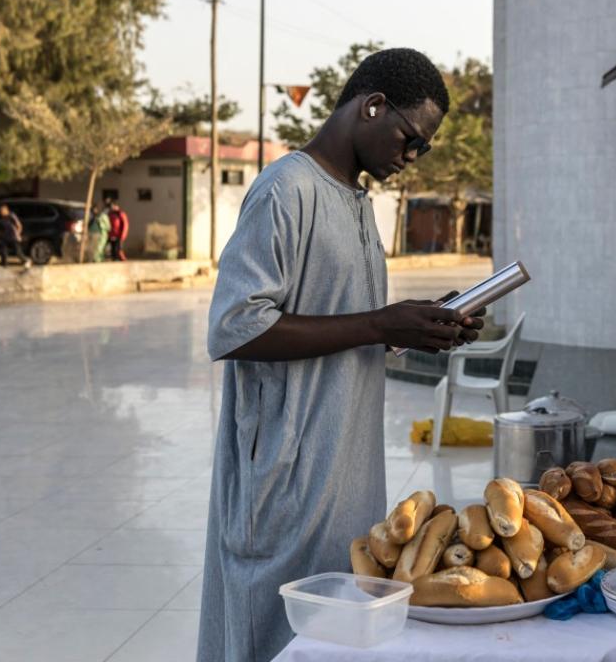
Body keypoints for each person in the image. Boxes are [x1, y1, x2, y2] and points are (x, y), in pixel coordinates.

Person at [198, 48, 485, 662]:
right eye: (411, 140)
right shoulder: (286, 189)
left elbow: (342, 319)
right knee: (269, 636)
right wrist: (381, 321)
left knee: (333, 640)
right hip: (285, 474)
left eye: (423, 150)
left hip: (347, 471)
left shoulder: (355, 202)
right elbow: (235, 327)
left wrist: (418, 325)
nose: (410, 157)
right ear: (371, 106)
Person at [0, 203, 31, 269]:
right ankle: (4, 264)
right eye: (0, 212)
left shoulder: (11, 216)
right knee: (3, 250)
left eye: (2, 211)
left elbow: (19, 225)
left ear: (6, 210)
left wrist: (18, 234)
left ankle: (27, 260)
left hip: (13, 237)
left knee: (18, 252)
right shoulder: (3, 218)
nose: (1, 213)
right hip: (5, 237)